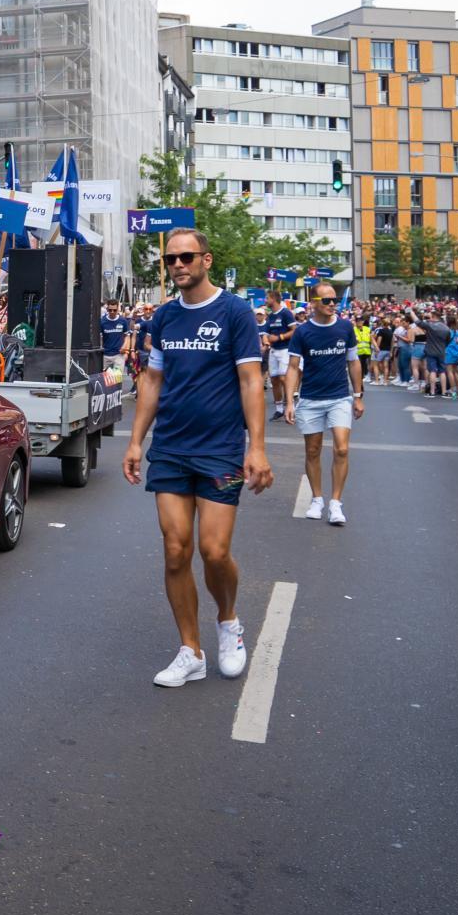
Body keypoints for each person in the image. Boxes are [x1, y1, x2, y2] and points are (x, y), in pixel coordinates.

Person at [123, 228, 272, 689]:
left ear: (206, 259)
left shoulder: (234, 312)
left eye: (186, 257)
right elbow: (151, 381)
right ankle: (191, 649)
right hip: (171, 448)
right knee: (174, 551)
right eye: (170, 259)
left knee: (214, 550)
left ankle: (229, 621)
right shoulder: (164, 317)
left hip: (220, 449)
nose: (178, 265)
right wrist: (135, 441)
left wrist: (258, 446)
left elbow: (250, 380)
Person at [284, 283, 364, 526]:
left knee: (341, 449)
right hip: (310, 399)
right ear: (314, 302)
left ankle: (336, 503)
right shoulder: (302, 332)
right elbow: (293, 367)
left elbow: (353, 362)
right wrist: (289, 401)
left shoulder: (344, 327)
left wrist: (359, 395)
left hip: (340, 397)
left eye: (335, 300)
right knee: (313, 450)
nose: (333, 304)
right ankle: (317, 499)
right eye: (327, 300)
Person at [262, 289, 298, 419]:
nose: (265, 301)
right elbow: (266, 334)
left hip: (285, 350)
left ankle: (290, 404)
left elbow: (294, 330)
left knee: (284, 378)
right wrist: (266, 343)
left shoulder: (286, 313)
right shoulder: (270, 316)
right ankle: (279, 409)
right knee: (274, 379)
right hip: (273, 351)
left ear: (273, 298)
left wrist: (280, 337)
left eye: (267, 298)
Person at [416, 310, 451, 400]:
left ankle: (432, 392)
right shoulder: (446, 328)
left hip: (431, 350)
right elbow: (448, 340)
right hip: (441, 351)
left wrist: (411, 311)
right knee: (442, 371)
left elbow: (417, 322)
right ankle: (444, 392)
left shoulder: (430, 325)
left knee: (432, 371)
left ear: (434, 316)